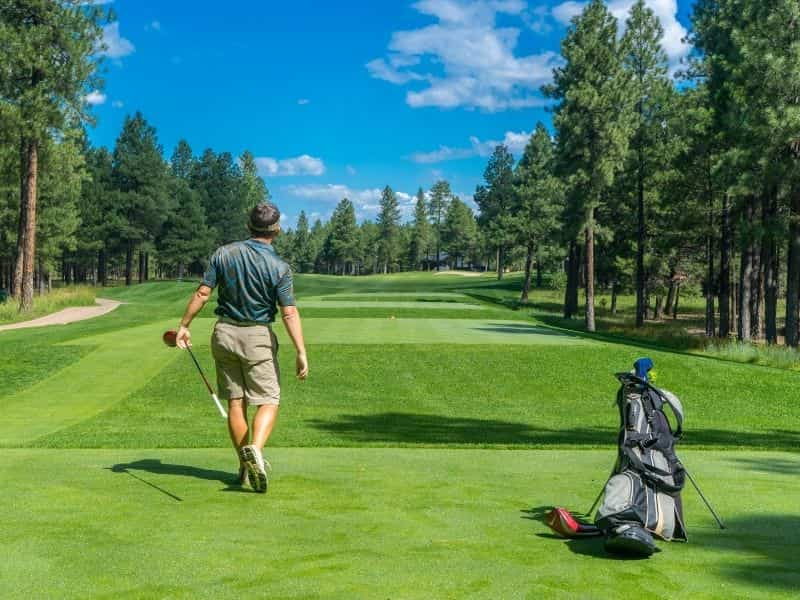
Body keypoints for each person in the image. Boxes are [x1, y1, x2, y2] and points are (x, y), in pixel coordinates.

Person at [175, 202, 308, 493]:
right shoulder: (280, 267)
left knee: (237, 402)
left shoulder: (223, 253)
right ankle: (256, 452)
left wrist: (184, 325)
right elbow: (288, 312)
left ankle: (244, 466)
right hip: (257, 336)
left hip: (223, 333)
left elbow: (203, 293)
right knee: (269, 400)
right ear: (278, 229)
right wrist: (301, 351)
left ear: (249, 226)